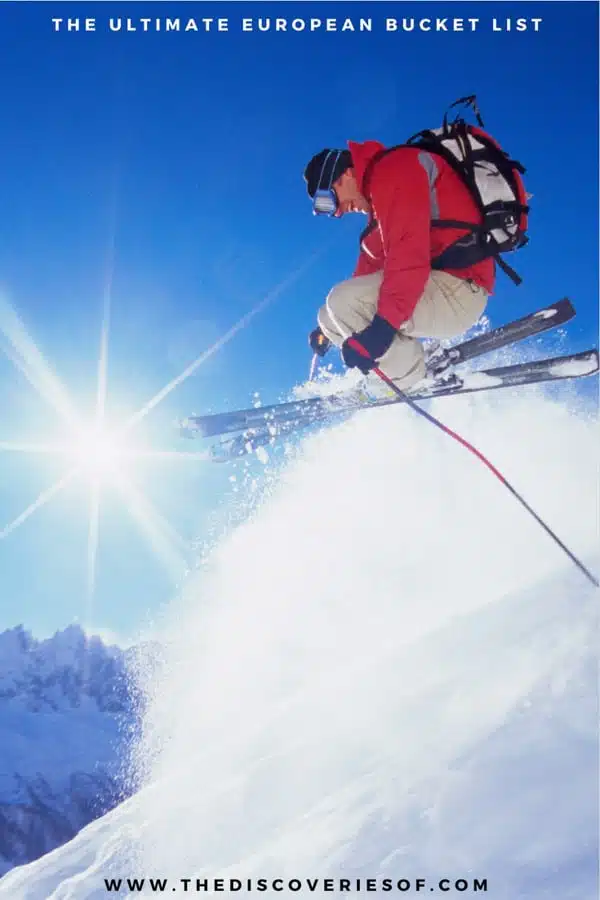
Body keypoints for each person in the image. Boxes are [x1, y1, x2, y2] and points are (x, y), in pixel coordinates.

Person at [304, 142, 495, 389]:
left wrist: (381, 331)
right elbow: (367, 276)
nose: (337, 213)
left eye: (329, 199)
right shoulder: (379, 205)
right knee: (328, 315)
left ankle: (408, 375)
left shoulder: (394, 170)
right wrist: (327, 330)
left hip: (458, 289)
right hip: (433, 290)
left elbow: (408, 260)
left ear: (347, 173)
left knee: (341, 303)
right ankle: (396, 371)